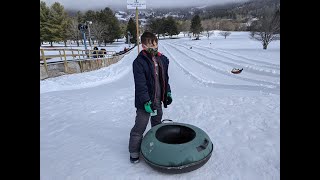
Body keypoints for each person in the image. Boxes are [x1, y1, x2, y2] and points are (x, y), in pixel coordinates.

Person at [129, 32, 172, 163]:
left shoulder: (161, 60)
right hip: (145, 103)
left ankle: (156, 148)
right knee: (139, 127)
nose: (154, 47)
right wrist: (146, 101)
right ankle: (134, 152)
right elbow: (140, 85)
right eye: (150, 45)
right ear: (143, 46)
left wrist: (168, 93)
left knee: (157, 125)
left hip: (157, 100)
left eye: (155, 44)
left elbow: (165, 79)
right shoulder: (139, 63)